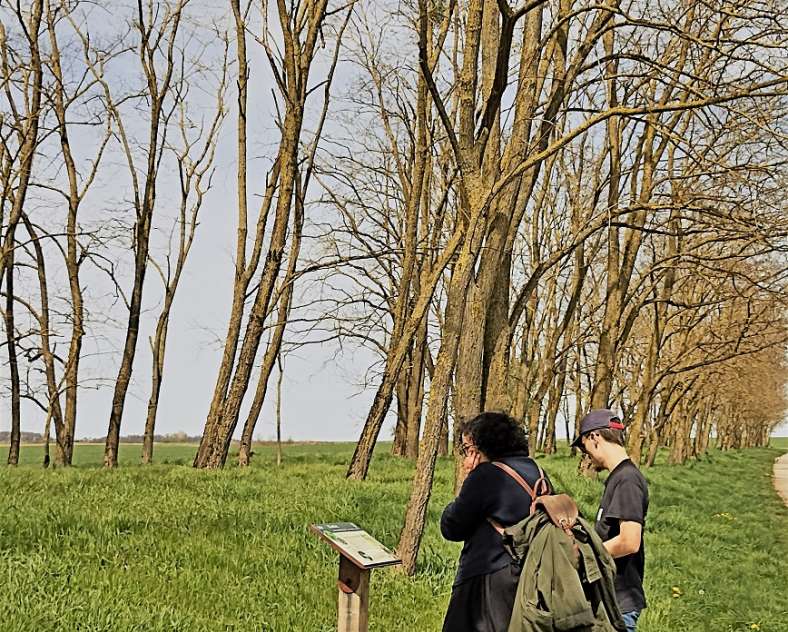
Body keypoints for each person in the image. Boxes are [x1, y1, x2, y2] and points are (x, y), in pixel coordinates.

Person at [440, 411, 550, 632]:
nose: (465, 460)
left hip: (487, 580)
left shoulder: (487, 475)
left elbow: (452, 526)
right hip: (531, 575)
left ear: (482, 447)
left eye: (468, 450)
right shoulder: (537, 472)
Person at [572, 409, 650, 632]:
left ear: (595, 438)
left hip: (620, 603)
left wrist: (583, 555)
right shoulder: (618, 478)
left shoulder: (627, 480)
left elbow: (629, 541)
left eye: (583, 446)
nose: (585, 454)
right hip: (611, 599)